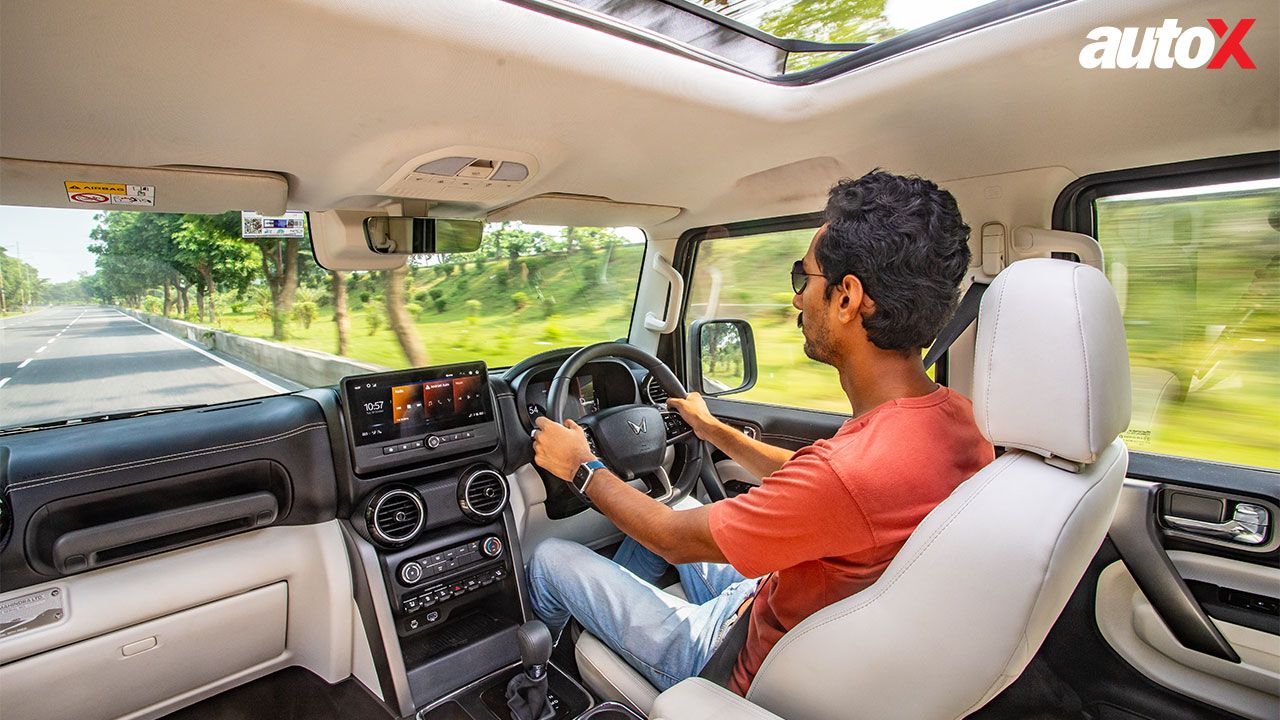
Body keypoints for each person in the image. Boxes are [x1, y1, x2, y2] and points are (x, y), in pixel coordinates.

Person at [527, 170, 996, 696]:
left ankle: (548, 682)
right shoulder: (956, 419)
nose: (796, 300)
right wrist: (713, 430)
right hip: (785, 611)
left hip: (734, 660)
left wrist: (581, 467)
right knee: (669, 504)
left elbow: (674, 541)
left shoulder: (849, 473)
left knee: (551, 559)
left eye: (803, 278)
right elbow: (816, 490)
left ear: (847, 299)